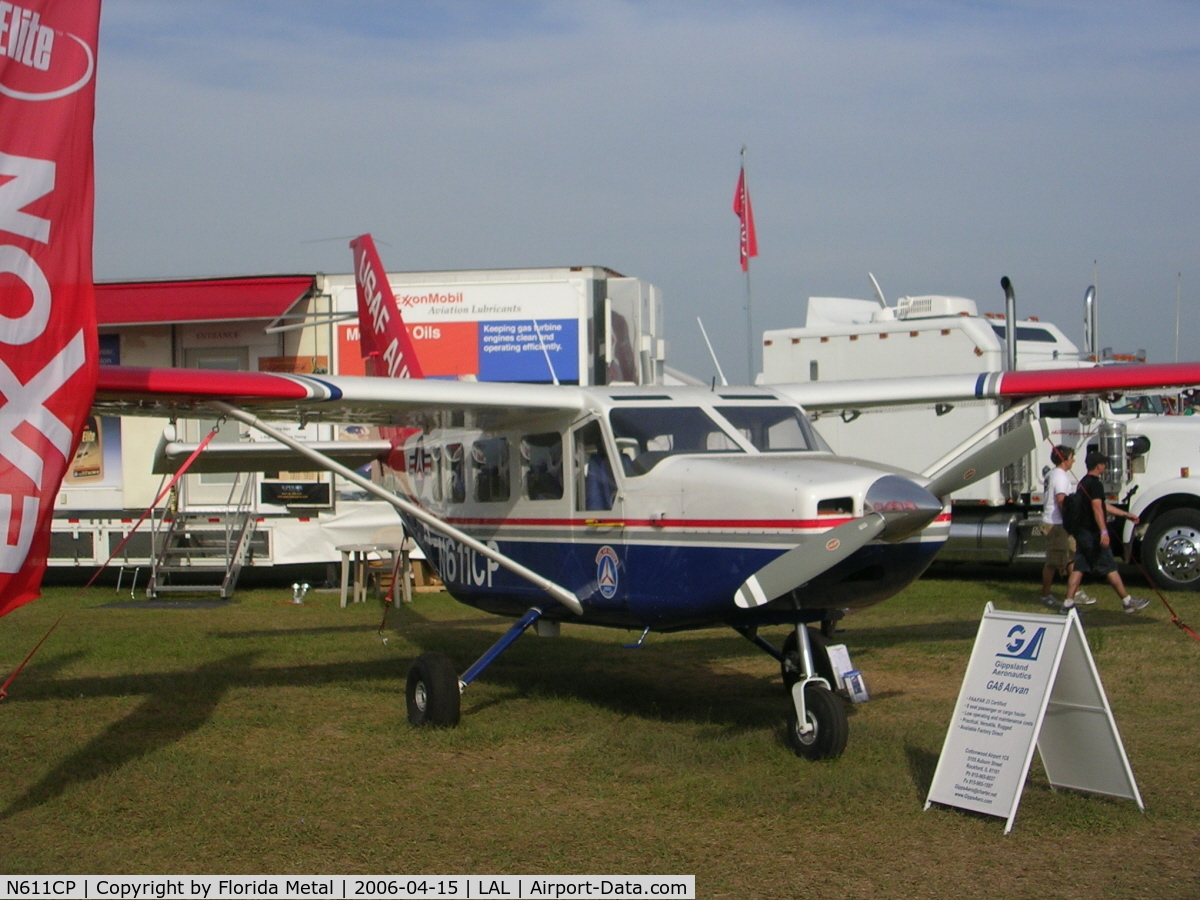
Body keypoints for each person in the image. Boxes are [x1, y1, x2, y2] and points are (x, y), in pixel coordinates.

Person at [1063, 451, 1150, 613]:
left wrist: (1125, 514)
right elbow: (1097, 508)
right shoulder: (1095, 484)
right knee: (1109, 566)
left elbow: (1102, 505)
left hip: (1082, 532)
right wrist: (1104, 532)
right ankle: (1127, 602)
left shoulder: (1083, 483)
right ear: (1098, 466)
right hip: (1092, 534)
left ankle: (1067, 604)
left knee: (1079, 567)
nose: (1105, 466)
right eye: (1104, 463)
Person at [1040, 445, 1092, 609]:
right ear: (1064, 459)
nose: (1073, 460)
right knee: (1053, 562)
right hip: (1056, 524)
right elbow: (1061, 501)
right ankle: (1046, 595)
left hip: (1059, 523)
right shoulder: (1060, 476)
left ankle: (1075, 591)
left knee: (1072, 556)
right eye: (1071, 457)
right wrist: (1071, 521)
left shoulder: (1052, 474)